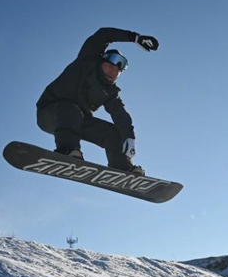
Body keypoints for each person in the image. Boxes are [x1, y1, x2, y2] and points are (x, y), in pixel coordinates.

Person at [36, 27, 159, 175]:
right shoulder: (87, 61)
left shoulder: (111, 92)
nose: (113, 72)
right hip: (50, 113)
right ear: (101, 61)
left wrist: (129, 137)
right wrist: (135, 38)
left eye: (117, 71)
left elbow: (121, 116)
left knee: (112, 132)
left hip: (78, 121)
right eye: (110, 66)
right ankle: (67, 150)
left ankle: (121, 167)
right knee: (70, 109)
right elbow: (103, 35)